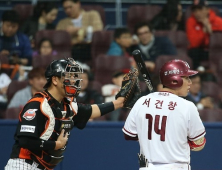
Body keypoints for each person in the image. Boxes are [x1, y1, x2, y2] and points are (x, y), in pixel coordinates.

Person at [4, 58, 128, 170]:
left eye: (74, 77)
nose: (73, 81)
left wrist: (119, 103)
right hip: (23, 165)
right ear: (55, 79)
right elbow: (25, 141)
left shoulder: (65, 104)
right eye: (68, 76)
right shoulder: (37, 104)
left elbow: (90, 110)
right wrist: (56, 144)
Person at [122, 59, 206, 170]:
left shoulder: (142, 101)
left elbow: (129, 135)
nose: (190, 82)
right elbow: (198, 144)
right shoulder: (187, 106)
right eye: (186, 78)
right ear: (175, 80)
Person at [186, 0, 222, 69]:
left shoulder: (218, 21)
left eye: (200, 9)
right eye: (195, 11)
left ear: (207, 10)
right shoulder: (191, 21)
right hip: (201, 51)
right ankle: (198, 75)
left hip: (216, 51)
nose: (197, 13)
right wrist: (204, 31)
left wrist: (211, 33)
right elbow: (193, 44)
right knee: (193, 52)